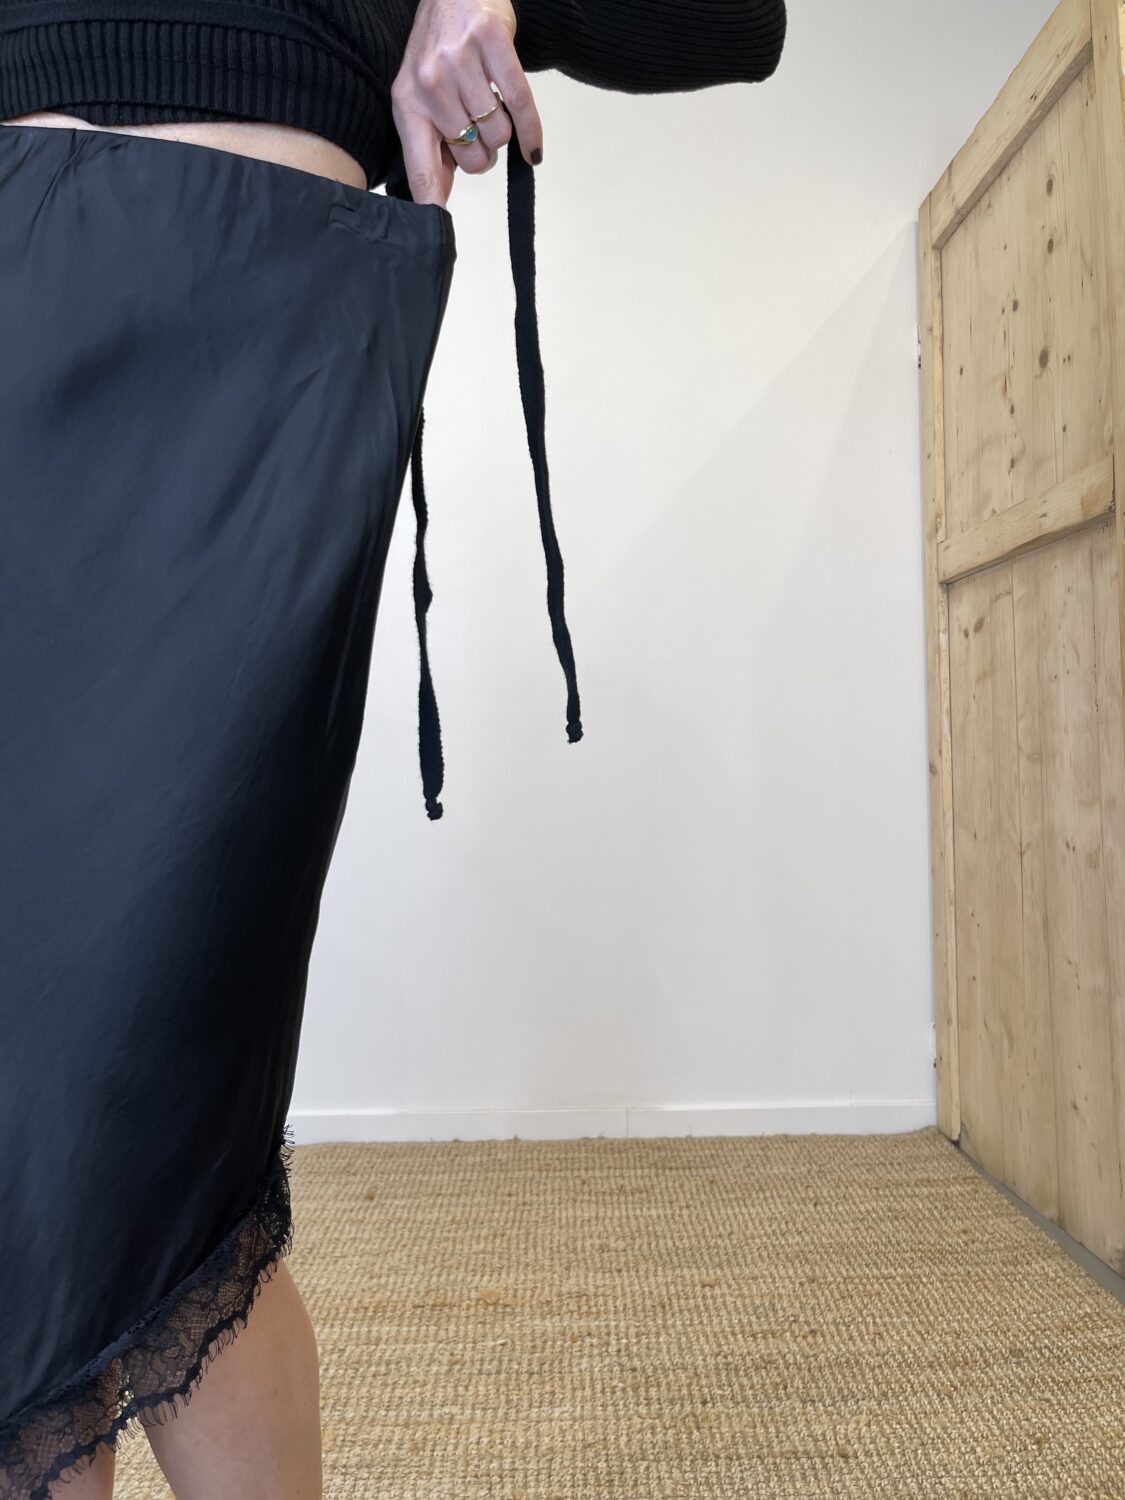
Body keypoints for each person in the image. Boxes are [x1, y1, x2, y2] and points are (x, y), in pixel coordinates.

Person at [0, 1, 788, 1496]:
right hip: (15, 296)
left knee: (155, 1107)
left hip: (255, 325)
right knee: (26, 1134)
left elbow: (731, 19)